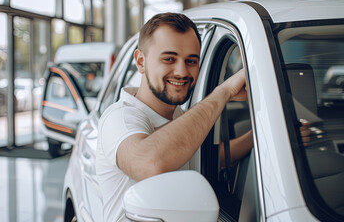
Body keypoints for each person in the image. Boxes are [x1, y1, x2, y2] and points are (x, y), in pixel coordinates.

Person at [96, 12, 251, 222]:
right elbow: (149, 163)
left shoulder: (178, 115)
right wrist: (223, 93)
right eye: (169, 59)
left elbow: (199, 156)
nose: (182, 71)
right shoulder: (120, 118)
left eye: (191, 61)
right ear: (141, 62)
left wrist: (258, 137)